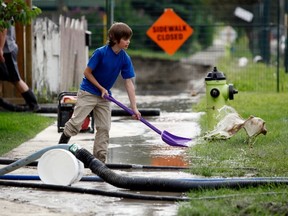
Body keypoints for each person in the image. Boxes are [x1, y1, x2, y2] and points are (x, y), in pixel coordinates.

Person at [58, 22, 141, 163]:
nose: (128, 42)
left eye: (129, 38)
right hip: (88, 92)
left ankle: (99, 163)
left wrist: (134, 108)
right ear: (115, 38)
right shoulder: (101, 53)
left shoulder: (124, 58)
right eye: (125, 38)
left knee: (104, 128)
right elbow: (87, 72)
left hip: (104, 97)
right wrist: (101, 87)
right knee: (75, 124)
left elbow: (129, 82)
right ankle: (59, 151)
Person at [0, 26, 40, 112]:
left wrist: (0, 49)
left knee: (15, 79)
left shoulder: (4, 14)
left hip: (7, 50)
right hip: (7, 49)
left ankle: (33, 104)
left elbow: (3, 29)